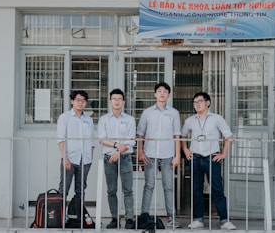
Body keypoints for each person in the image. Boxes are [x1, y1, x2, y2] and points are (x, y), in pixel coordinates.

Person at [181, 92, 236, 230]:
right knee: (196, 189)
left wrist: (223, 154)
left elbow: (228, 136)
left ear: (208, 103)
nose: (197, 104)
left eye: (200, 101)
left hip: (212, 157)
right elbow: (181, 136)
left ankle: (224, 220)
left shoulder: (217, 119)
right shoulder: (190, 120)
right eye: (195, 102)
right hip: (195, 158)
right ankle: (198, 219)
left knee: (217, 189)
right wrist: (186, 150)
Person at [137, 82, 182, 228]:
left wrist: (177, 155)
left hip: (168, 154)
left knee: (168, 186)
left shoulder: (174, 113)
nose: (162, 93)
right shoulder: (147, 112)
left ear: (168, 94)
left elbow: (177, 135)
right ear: (155, 94)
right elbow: (140, 133)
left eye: (165, 91)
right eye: (159, 91)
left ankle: (172, 217)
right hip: (150, 153)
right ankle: (144, 215)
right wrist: (140, 151)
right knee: (149, 185)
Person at [98, 89, 136, 229]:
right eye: (114, 98)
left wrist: (119, 152)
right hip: (109, 159)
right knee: (111, 190)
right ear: (110, 101)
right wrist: (116, 146)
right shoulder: (104, 119)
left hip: (125, 158)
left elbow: (131, 140)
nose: (117, 101)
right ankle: (114, 218)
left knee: (128, 190)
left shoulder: (130, 119)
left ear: (123, 102)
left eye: (120, 99)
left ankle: (129, 219)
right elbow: (102, 139)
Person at [57, 90, 95, 200]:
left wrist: (90, 157)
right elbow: (61, 139)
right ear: (72, 101)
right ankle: (61, 216)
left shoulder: (89, 120)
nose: (80, 103)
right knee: (64, 189)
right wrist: (65, 158)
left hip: (85, 160)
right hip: (70, 159)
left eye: (83, 101)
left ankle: (79, 215)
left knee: (81, 190)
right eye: (78, 100)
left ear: (86, 103)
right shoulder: (64, 118)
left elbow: (91, 141)